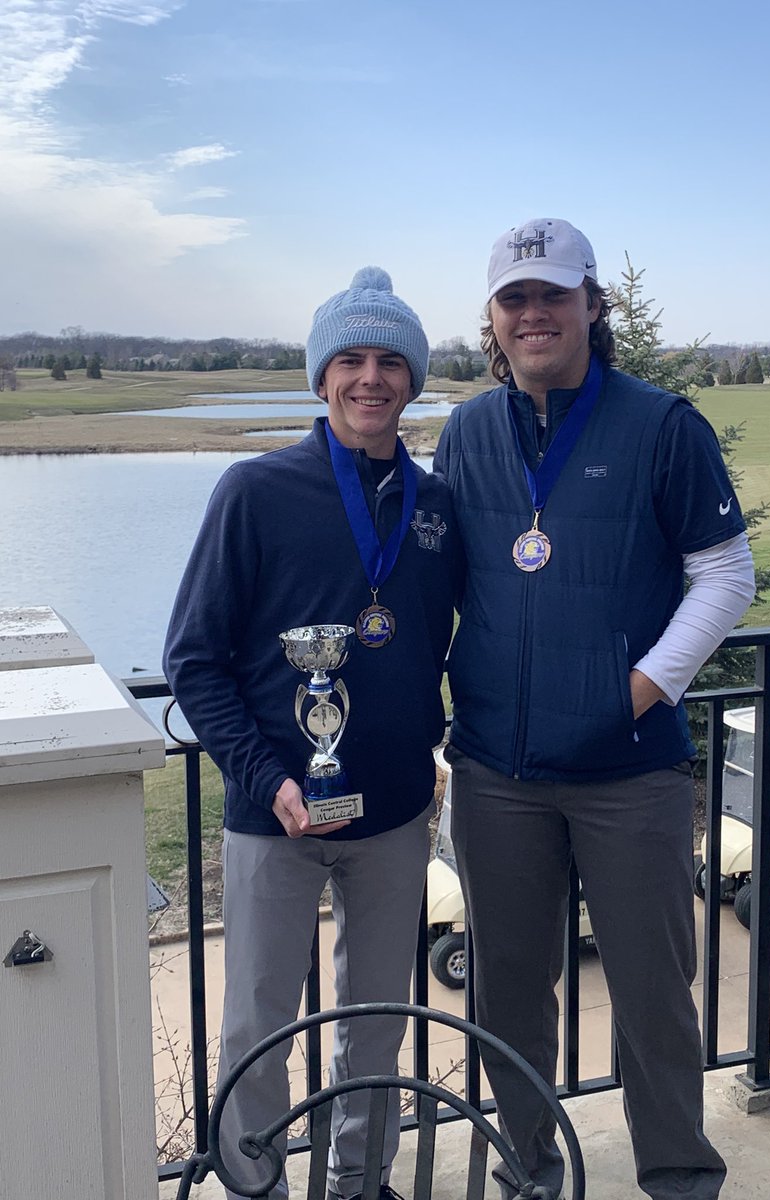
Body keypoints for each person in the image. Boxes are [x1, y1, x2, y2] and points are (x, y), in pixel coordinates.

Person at [433, 218, 756, 1200]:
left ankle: (679, 1177)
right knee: (507, 996)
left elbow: (726, 573)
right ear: (492, 320)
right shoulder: (466, 434)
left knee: (656, 997)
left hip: (630, 773)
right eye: (514, 298)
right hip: (497, 773)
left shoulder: (663, 426)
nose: (534, 314)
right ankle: (527, 1171)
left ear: (592, 305)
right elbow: (439, 579)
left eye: (553, 294)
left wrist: (641, 687)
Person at [164, 267, 458, 1200]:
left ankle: (359, 1184)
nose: (370, 379)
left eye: (389, 362)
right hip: (273, 816)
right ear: (320, 379)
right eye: (350, 361)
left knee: (374, 1024)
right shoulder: (253, 491)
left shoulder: (438, 505)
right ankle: (256, 1188)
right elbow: (193, 658)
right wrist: (263, 778)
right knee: (256, 1024)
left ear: (412, 380)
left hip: (396, 815)